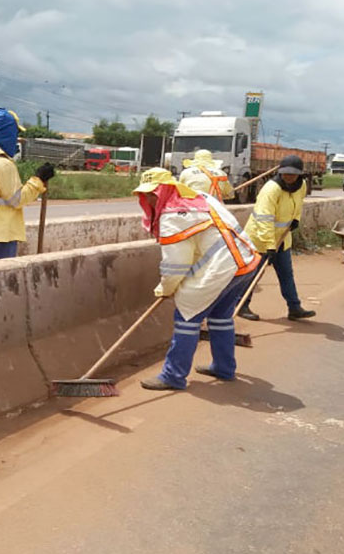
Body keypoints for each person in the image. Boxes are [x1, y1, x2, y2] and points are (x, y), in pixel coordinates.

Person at [133, 168, 259, 391]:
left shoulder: (173, 215)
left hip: (222, 269)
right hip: (244, 263)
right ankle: (224, 367)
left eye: (153, 193)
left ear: (166, 190)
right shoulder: (202, 199)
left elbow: (175, 265)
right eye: (146, 195)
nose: (150, 199)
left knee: (186, 317)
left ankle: (173, 376)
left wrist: (165, 288)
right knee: (221, 316)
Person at [238, 155, 317, 322]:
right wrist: (269, 245)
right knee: (253, 275)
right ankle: (241, 306)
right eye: (285, 173)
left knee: (286, 275)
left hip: (282, 239)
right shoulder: (271, 189)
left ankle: (294, 308)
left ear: (299, 175)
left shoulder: (301, 185)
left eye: (292, 174)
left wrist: (296, 219)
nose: (288, 177)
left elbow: (299, 204)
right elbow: (264, 218)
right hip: (259, 240)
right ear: (280, 173)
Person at [0, 108, 55, 261]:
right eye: (15, 133)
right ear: (8, 133)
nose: (16, 138)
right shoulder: (2, 164)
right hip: (1, 231)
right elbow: (17, 199)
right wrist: (38, 180)